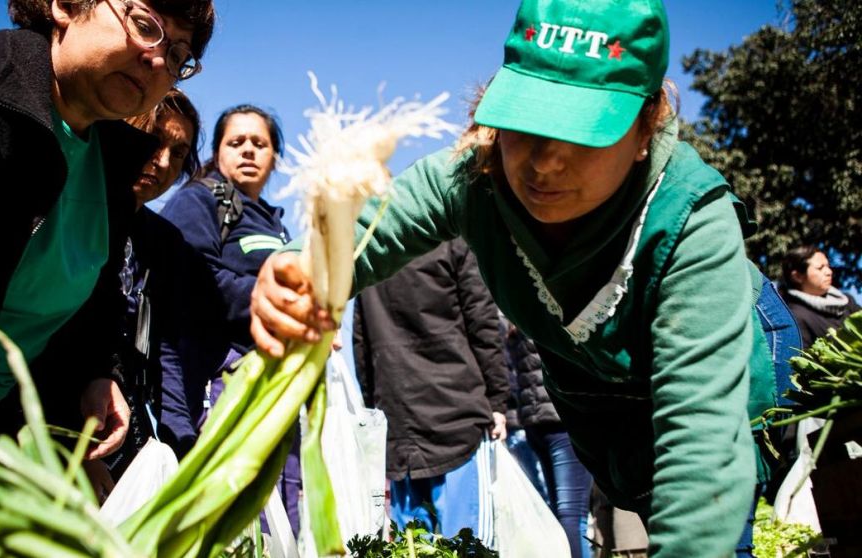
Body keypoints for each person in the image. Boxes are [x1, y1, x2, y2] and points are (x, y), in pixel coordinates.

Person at [248, 0, 799, 555]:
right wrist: (300, 270)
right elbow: (366, 231)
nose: (544, 162)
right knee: (640, 490)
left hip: (723, 353)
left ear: (645, 128)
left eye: (585, 133)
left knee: (706, 517)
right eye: (526, 123)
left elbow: (703, 442)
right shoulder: (475, 175)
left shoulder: (692, 222)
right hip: (599, 381)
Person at [0, 0, 214, 548]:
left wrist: (95, 372)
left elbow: (94, 285)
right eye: (144, 26)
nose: (157, 61)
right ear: (65, 6)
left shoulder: (111, 159)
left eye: (178, 55)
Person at [157, 105, 299, 531]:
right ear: (217, 152)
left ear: (274, 156)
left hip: (279, 391)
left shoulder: (278, 226)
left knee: (282, 516)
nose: (248, 151)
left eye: (260, 143)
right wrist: (273, 303)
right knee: (234, 519)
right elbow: (191, 273)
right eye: (236, 142)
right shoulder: (201, 200)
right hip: (223, 383)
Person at [352, 238, 510, 539]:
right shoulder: (451, 239)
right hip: (457, 417)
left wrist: (378, 414)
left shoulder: (371, 252)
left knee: (410, 547)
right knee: (468, 544)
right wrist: (497, 400)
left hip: (399, 425)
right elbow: (482, 322)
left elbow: (361, 346)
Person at [99, 88, 201, 485]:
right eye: (155, 140)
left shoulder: (163, 241)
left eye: (178, 153)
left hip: (130, 419)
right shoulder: (79, 211)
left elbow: (166, 349)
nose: (162, 162)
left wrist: (182, 442)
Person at [504, 320, 592, 558]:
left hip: (535, 422)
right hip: (562, 420)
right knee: (573, 515)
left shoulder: (516, 321)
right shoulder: (547, 313)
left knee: (559, 513)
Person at [780, 245, 860, 348]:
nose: (829, 272)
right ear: (798, 276)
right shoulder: (796, 318)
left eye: (828, 266)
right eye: (820, 268)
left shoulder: (847, 301)